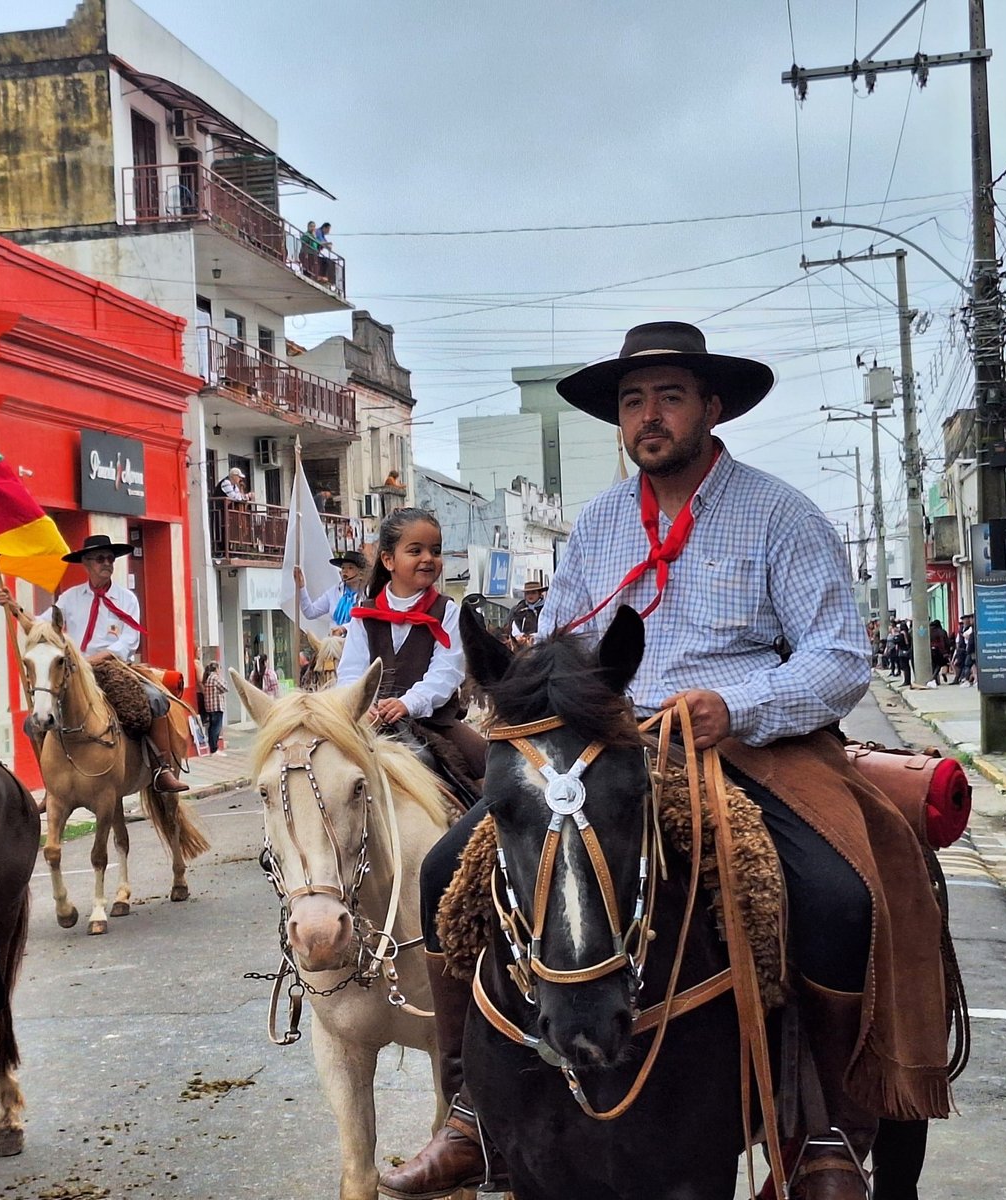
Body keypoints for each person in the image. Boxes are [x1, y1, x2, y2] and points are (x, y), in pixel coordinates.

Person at [380, 322, 948, 1200]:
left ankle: (826, 1127)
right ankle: (467, 1112)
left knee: (837, 898)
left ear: (711, 408)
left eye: (670, 397)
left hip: (753, 746)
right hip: (608, 743)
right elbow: (566, 644)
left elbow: (837, 657)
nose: (649, 417)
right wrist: (524, 684)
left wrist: (739, 706)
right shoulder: (601, 524)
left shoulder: (780, 514)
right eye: (634, 402)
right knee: (451, 868)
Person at [335, 507, 489, 796]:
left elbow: (447, 671)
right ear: (388, 559)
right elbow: (351, 671)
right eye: (416, 551)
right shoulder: (363, 615)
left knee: (494, 769)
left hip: (433, 722)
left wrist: (409, 702)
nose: (428, 558)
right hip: (372, 722)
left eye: (435, 550)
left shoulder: (447, 611)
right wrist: (360, 705)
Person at [33, 533, 188, 793]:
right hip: (76, 672)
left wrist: (100, 657)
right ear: (86, 563)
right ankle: (51, 783)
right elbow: (43, 623)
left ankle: (161, 768)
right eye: (100, 559)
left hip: (115, 668)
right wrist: (13, 608)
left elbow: (129, 640)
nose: (107, 563)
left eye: (110, 558)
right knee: (36, 718)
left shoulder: (127, 598)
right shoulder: (70, 598)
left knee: (156, 700)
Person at [294, 550, 368, 634]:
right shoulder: (335, 592)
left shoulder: (367, 594)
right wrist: (301, 587)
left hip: (356, 643)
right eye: (343, 568)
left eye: (350, 568)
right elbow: (310, 612)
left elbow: (363, 621)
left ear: (360, 572)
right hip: (334, 643)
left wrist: (343, 628)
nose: (345, 571)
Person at [507, 570, 547, 646]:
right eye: (528, 593)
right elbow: (515, 628)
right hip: (522, 644)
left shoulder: (546, 609)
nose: (530, 595)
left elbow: (549, 627)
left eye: (533, 593)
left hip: (543, 644)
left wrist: (535, 637)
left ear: (539, 594)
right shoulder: (518, 610)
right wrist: (521, 637)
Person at [199, 661, 227, 753]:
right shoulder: (215, 677)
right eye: (219, 668)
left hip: (209, 706)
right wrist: (222, 679)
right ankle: (214, 748)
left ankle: (212, 747)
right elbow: (225, 688)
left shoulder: (208, 678)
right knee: (216, 727)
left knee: (212, 727)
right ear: (216, 669)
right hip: (217, 706)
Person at [929, 618, 951, 685]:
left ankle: (936, 680)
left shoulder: (929, 632)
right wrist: (946, 651)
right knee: (942, 664)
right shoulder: (942, 631)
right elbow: (945, 642)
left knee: (934, 665)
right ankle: (938, 675)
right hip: (940, 650)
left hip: (931, 650)